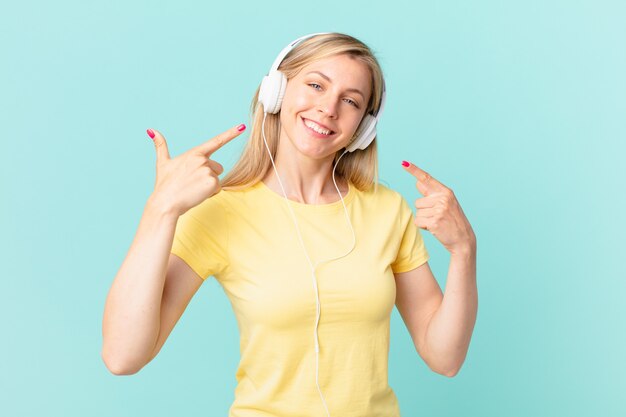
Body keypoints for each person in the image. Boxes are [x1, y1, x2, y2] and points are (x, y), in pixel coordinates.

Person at [102, 32, 478, 417]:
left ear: (363, 128)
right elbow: (122, 356)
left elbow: (444, 358)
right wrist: (159, 209)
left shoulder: (387, 211)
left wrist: (464, 250)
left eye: (350, 101)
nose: (329, 108)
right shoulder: (222, 210)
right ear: (276, 92)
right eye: (316, 85)